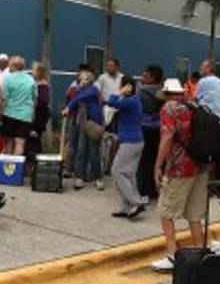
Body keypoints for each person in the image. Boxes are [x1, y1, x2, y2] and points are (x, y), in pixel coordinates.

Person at [150, 78, 209, 272]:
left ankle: (172, 254)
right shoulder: (194, 106)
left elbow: (167, 137)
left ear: (167, 94)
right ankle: (201, 252)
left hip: (180, 167)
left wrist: (158, 165)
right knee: (194, 214)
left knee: (166, 212)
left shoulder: (169, 109)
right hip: (200, 166)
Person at [107, 76, 145, 219]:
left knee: (116, 171)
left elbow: (111, 101)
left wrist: (120, 92)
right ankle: (126, 207)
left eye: (121, 85)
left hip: (130, 142)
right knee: (128, 174)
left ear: (128, 86)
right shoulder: (134, 100)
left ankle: (136, 202)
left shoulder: (130, 101)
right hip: (135, 141)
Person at [65, 70, 105, 190]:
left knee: (94, 152)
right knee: (81, 150)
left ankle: (97, 178)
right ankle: (79, 177)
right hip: (83, 123)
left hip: (93, 124)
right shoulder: (79, 90)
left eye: (86, 79)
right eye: (81, 79)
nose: (83, 81)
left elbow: (79, 98)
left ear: (91, 80)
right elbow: (74, 98)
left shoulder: (93, 90)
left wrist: (68, 108)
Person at [0, 56, 36, 157]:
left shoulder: (8, 79)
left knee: (9, 141)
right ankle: (16, 166)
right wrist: (32, 114)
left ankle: (7, 167)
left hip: (10, 114)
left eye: (10, 64)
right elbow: (34, 99)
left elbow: (4, 99)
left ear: (13, 66)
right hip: (25, 115)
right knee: (20, 142)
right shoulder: (30, 79)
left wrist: (0, 115)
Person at [137, 65, 166, 200]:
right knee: (158, 159)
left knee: (144, 160)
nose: (142, 78)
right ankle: (157, 189)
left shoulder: (142, 92)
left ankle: (144, 190)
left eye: (145, 76)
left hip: (145, 128)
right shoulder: (164, 91)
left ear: (152, 77)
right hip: (161, 129)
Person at [30, 62, 52, 155]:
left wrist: (33, 103)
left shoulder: (42, 85)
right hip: (35, 113)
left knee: (34, 137)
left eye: (33, 70)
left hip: (39, 115)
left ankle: (35, 156)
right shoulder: (35, 83)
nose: (32, 72)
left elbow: (43, 101)